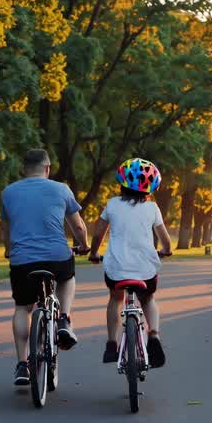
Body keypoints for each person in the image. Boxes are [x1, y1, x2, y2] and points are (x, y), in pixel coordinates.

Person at [0, 149, 90, 387]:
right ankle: (63, 319)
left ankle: (22, 364)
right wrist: (84, 245)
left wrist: (9, 250)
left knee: (23, 307)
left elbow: (8, 230)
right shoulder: (61, 189)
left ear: (23, 169)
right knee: (67, 277)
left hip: (22, 261)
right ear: (48, 168)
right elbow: (78, 227)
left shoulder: (8, 192)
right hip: (56, 257)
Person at [88, 157, 172, 368]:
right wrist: (166, 251)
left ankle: (111, 343)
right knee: (148, 299)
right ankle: (153, 333)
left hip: (117, 268)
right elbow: (166, 240)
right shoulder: (152, 208)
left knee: (116, 299)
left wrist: (94, 253)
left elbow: (98, 234)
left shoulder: (112, 205)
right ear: (150, 188)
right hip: (145, 269)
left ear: (122, 183)